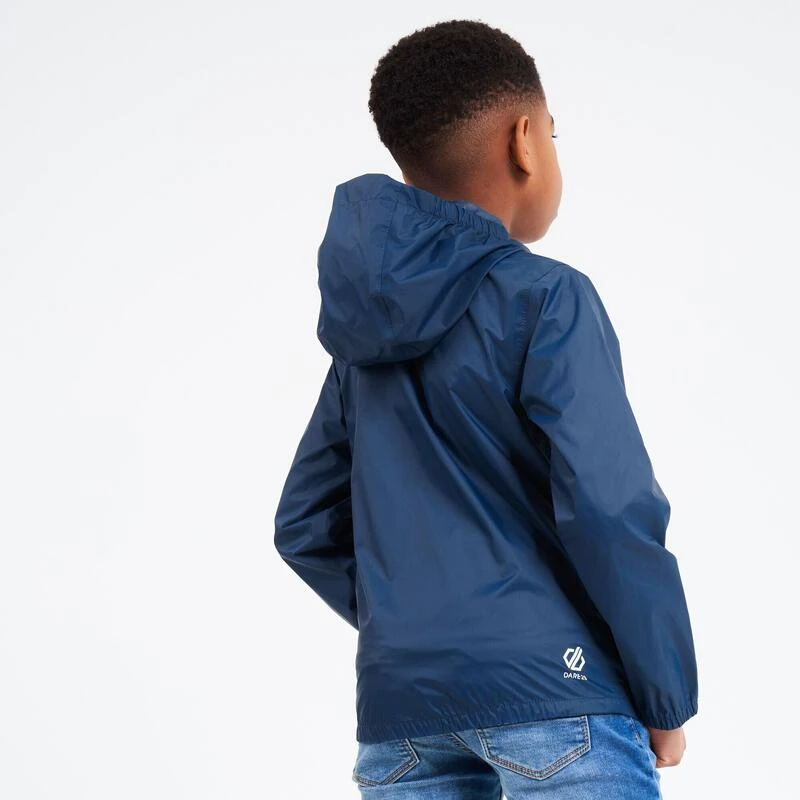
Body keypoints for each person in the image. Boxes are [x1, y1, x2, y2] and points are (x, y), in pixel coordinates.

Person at [274, 18, 698, 799]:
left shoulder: (362, 338)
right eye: (554, 133)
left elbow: (305, 523)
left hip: (403, 714)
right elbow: (608, 508)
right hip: (560, 697)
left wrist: (423, 629)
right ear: (524, 141)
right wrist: (664, 693)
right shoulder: (548, 298)